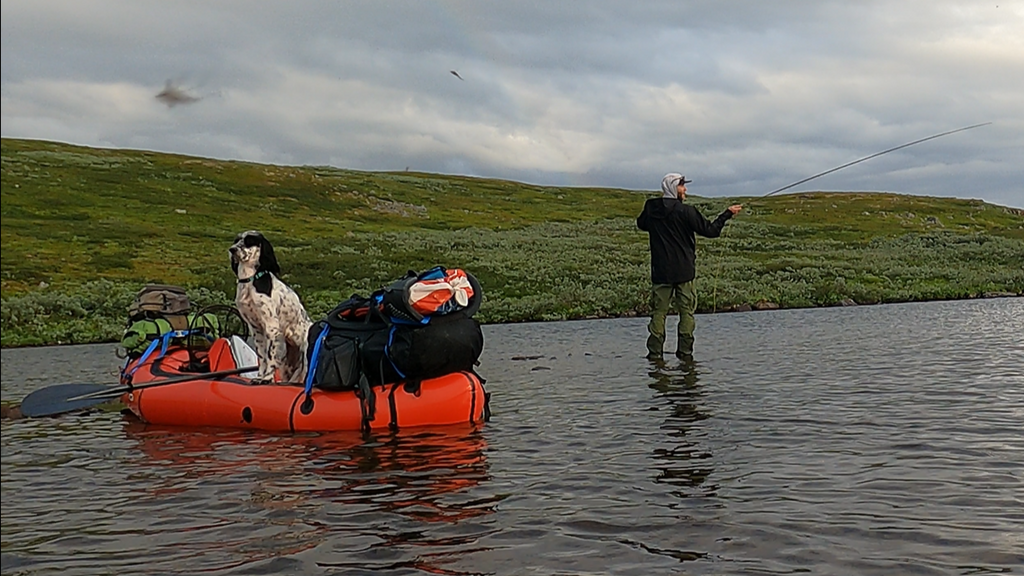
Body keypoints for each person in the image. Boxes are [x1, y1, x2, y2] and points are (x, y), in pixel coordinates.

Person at [637, 173, 742, 360]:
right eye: (682, 186)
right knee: (686, 313)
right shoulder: (687, 212)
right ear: (672, 187)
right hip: (684, 272)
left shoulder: (651, 208)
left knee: (658, 314)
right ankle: (685, 356)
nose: (685, 189)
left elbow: (641, 224)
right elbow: (711, 231)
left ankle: (654, 356)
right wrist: (727, 214)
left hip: (660, 272)